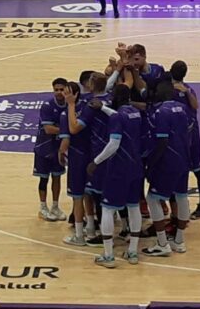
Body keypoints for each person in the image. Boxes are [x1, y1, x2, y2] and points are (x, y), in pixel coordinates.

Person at [86, 84, 143, 268]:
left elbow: (113, 144)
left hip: (119, 168)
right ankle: (133, 252)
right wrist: (102, 108)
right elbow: (119, 117)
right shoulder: (135, 113)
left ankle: (109, 256)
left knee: (108, 208)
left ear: (116, 98)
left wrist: (96, 161)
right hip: (136, 166)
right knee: (134, 207)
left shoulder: (117, 117)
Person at [142, 81, 190, 257]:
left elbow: (162, 142)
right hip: (183, 158)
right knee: (182, 196)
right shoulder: (182, 108)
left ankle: (162, 243)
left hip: (167, 161)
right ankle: (179, 240)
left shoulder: (160, 112)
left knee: (152, 198)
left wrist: (151, 164)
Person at [65, 73, 111, 246]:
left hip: (95, 153)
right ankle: (96, 229)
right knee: (96, 194)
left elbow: (74, 128)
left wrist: (70, 105)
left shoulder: (91, 106)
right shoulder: (112, 98)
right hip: (113, 151)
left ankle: (92, 236)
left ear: (91, 85)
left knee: (91, 194)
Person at [170, 60, 200, 219]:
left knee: (195, 168)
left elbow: (196, 105)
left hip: (189, 135)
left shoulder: (187, 90)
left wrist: (185, 91)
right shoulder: (167, 89)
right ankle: (180, 208)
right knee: (181, 170)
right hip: (177, 135)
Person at [59, 81, 91, 246]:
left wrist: (60, 153)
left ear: (75, 94)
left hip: (77, 159)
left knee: (77, 197)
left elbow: (67, 138)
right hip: (92, 155)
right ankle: (91, 230)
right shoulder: (88, 107)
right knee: (89, 194)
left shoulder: (66, 114)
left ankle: (79, 235)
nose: (63, 96)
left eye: (66, 93)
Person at [33, 78, 68, 221]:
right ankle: (42, 207)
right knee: (43, 178)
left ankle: (55, 206)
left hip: (58, 148)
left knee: (57, 177)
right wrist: (67, 130)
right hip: (44, 147)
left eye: (61, 89)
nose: (59, 92)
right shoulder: (47, 106)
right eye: (56, 90)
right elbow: (48, 129)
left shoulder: (69, 105)